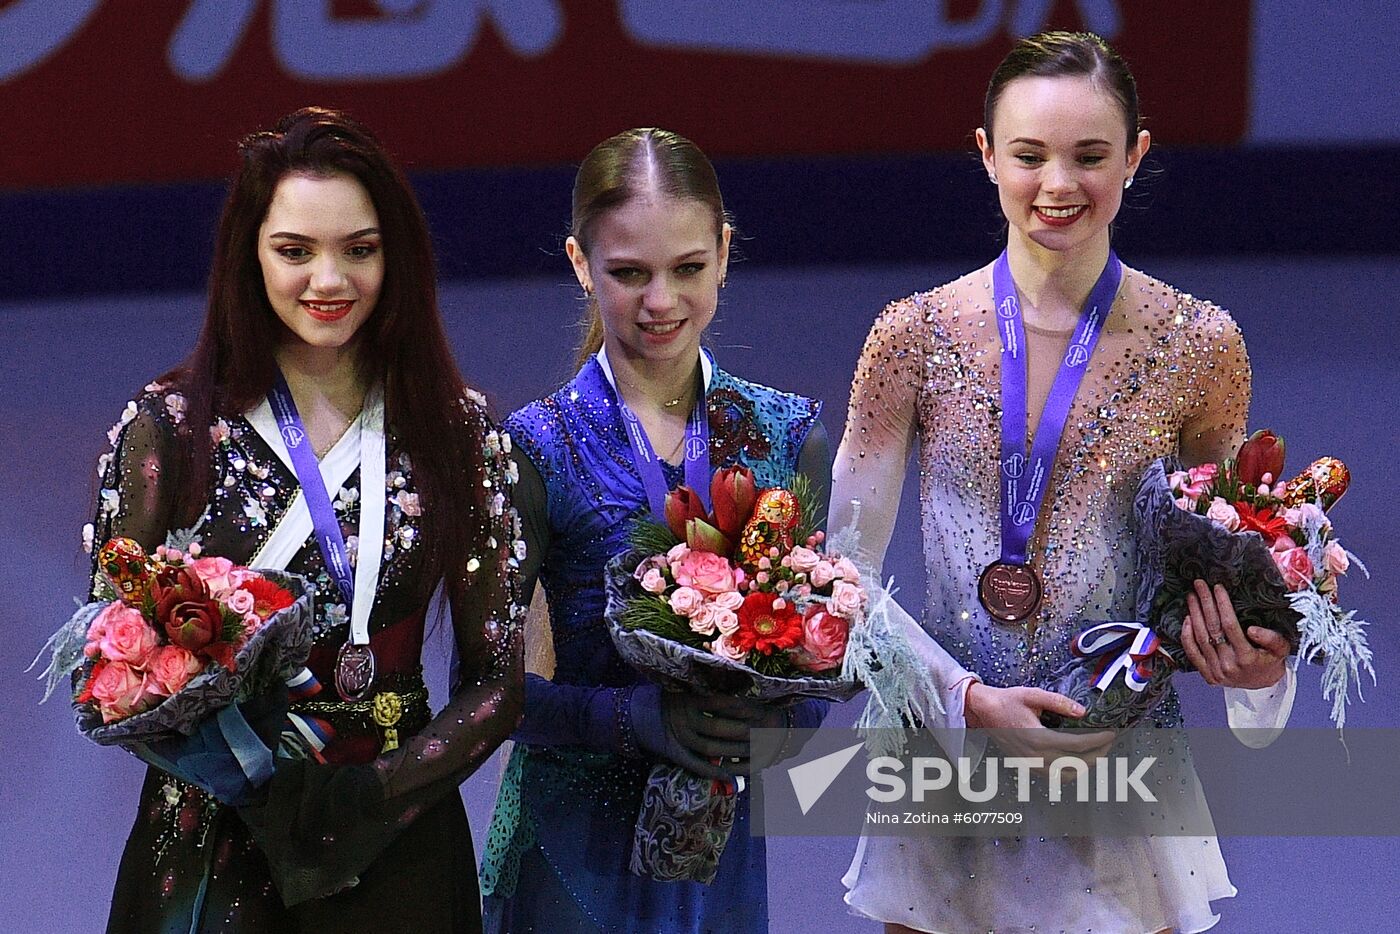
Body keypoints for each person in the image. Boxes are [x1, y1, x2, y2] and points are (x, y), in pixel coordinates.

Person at [831, 32, 1296, 934]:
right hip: (949, 768)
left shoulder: (1201, 347)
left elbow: (1226, 557)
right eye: (1029, 155)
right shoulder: (912, 337)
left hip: (1118, 763)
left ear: (1136, 155)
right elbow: (838, 571)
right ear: (984, 155)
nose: (1058, 185)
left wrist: (1257, 669)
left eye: (1089, 156)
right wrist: (964, 702)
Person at [85, 107, 524, 932]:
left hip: (395, 838)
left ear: (397, 258)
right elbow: (107, 669)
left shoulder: (459, 435)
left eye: (359, 249)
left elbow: (495, 684)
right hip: (211, 845)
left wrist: (363, 804)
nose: (329, 280)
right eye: (296, 251)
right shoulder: (170, 432)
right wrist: (253, 782)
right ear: (248, 256)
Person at [479, 127, 830, 933]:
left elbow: (821, 652)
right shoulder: (533, 447)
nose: (661, 302)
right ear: (579, 264)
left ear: (725, 251)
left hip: (722, 853)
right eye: (628, 274)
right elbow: (490, 690)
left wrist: (773, 729)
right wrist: (635, 718)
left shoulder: (785, 433)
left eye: (688, 269)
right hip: (571, 856)